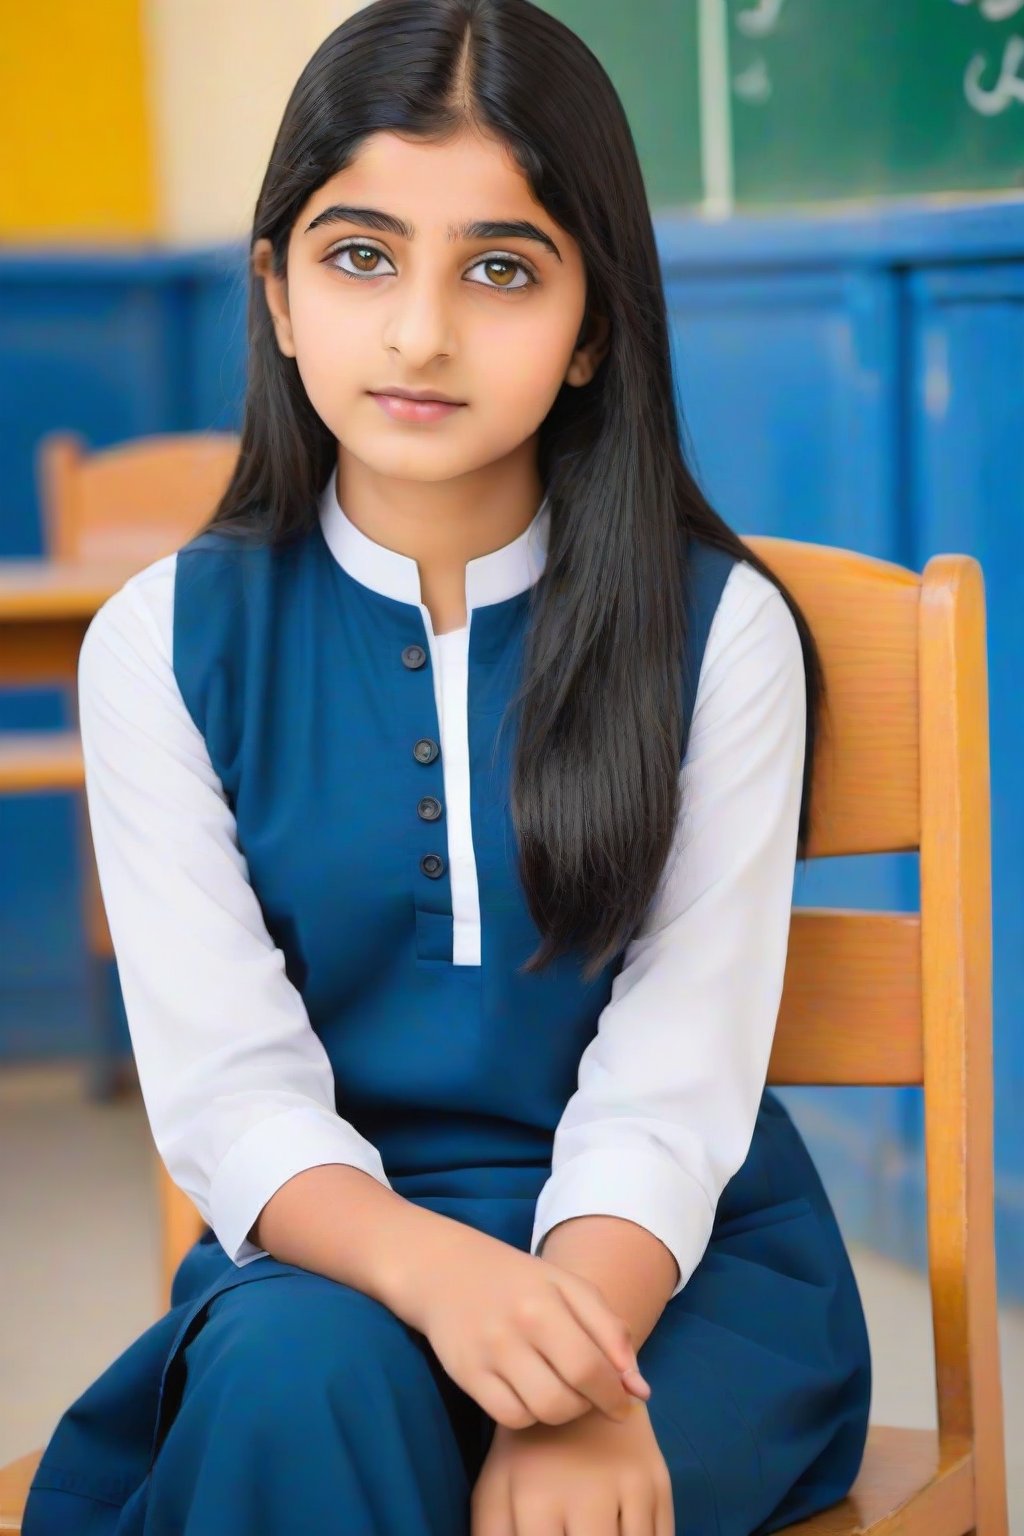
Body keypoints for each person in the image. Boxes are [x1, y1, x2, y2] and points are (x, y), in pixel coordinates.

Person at [22, 1, 872, 1531]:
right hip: (340, 1257)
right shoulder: (159, 644)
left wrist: (578, 1367)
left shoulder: (723, 633)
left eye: (500, 268)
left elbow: (676, 1083)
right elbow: (233, 1096)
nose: (421, 330)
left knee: (542, 1492)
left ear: (595, 323)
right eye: (360, 257)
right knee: (297, 1392)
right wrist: (442, 1279)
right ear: (276, 291)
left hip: (676, 1270)